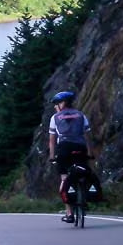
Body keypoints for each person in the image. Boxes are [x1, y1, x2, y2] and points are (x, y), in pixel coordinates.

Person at [47, 90, 92, 223]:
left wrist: (52, 156)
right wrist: (90, 152)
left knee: (64, 177)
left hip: (64, 149)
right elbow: (87, 136)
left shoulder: (55, 118)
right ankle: (85, 196)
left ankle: (69, 213)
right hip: (80, 147)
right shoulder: (81, 115)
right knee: (83, 170)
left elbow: (52, 140)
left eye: (57, 103)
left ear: (63, 103)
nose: (55, 106)